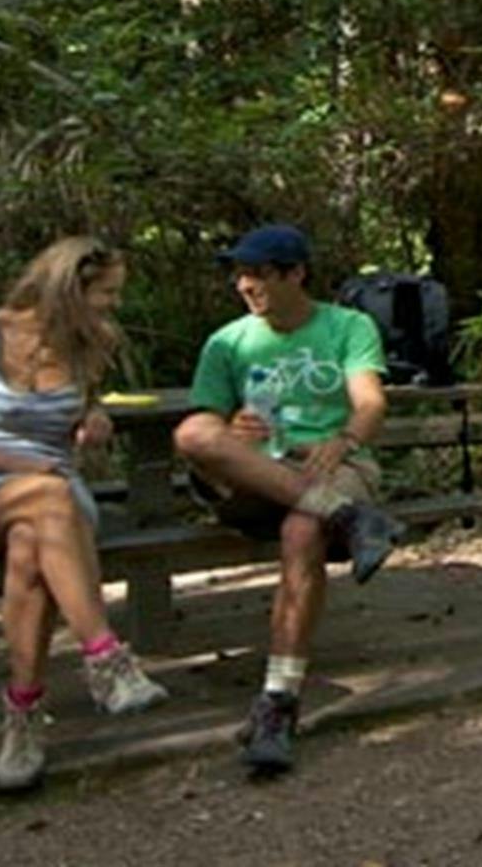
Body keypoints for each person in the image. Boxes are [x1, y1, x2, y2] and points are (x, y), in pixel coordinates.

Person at [0, 235, 170, 794]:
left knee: (33, 544)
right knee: (44, 501)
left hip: (53, 498)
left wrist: (93, 420)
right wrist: (17, 463)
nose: (112, 305)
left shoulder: (93, 342)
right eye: (105, 293)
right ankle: (106, 657)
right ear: (66, 287)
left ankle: (23, 715)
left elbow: (83, 405)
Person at [173, 223, 401, 775]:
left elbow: (370, 403)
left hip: (331, 463)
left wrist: (343, 438)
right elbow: (204, 421)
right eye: (240, 275)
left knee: (303, 531)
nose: (246, 285)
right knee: (191, 436)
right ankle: (351, 519)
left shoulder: (348, 326)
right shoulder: (227, 342)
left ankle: (278, 701)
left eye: (260, 274)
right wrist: (230, 425)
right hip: (257, 471)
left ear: (296, 274)